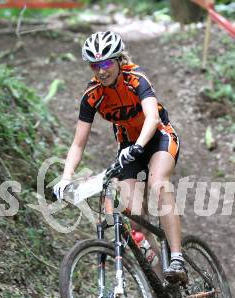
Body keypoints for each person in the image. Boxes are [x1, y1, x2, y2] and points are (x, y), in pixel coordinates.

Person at [53, 30, 187, 284]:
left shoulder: (135, 79)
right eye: (95, 65)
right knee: (132, 219)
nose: (101, 70)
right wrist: (66, 178)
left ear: (117, 60)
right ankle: (164, 286)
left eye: (105, 63)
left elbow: (152, 117)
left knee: (159, 183)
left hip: (158, 137)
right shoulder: (92, 95)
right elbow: (78, 143)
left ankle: (178, 256)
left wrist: (139, 145)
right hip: (128, 150)